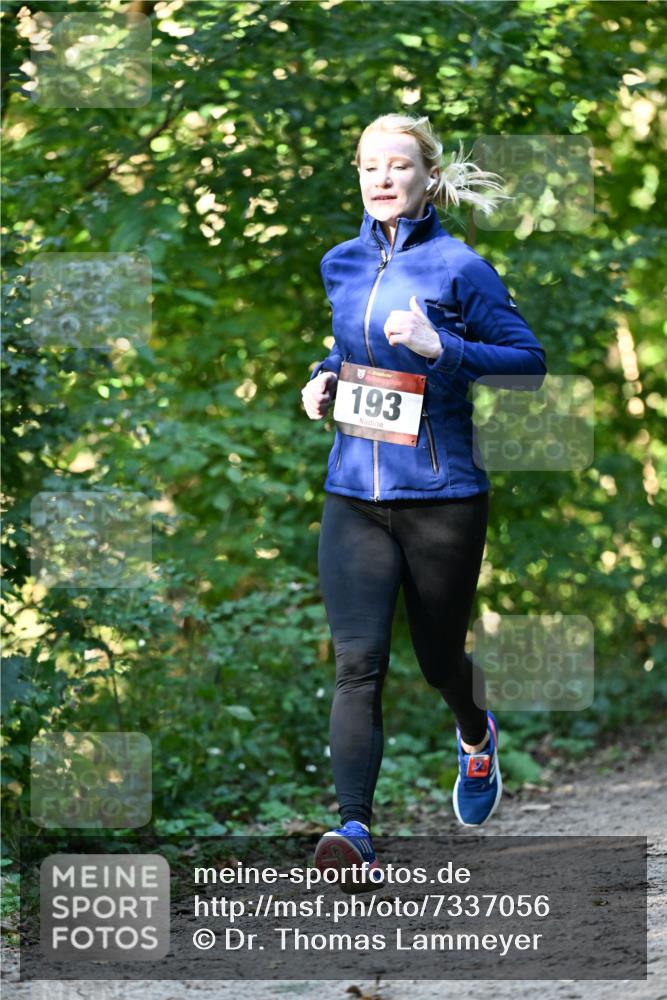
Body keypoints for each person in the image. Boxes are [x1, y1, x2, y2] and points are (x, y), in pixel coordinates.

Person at [301, 113, 547, 893]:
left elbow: (527, 365)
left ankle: (474, 732)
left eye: (397, 165)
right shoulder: (339, 263)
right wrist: (320, 380)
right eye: (369, 165)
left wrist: (447, 350)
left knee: (438, 659)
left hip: (440, 498)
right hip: (353, 493)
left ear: (425, 176)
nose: (381, 178)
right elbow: (349, 348)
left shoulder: (458, 267)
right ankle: (355, 830)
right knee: (356, 663)